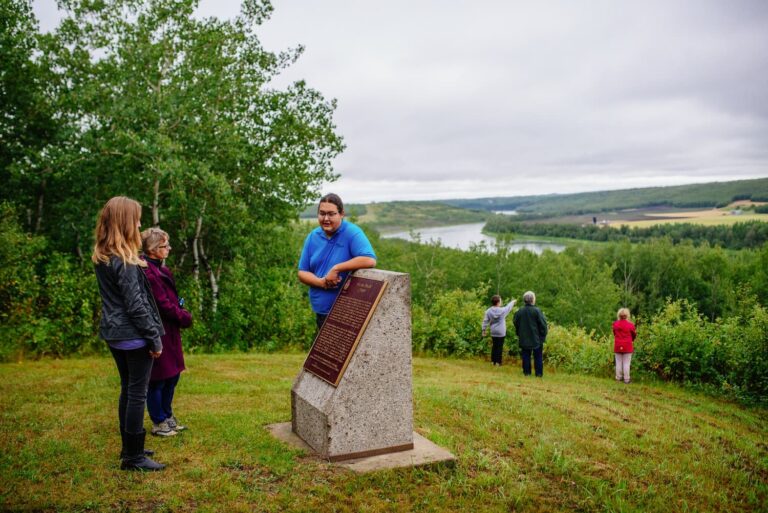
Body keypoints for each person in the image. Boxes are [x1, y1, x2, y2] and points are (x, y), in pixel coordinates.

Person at [92, 197, 165, 471]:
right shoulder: (125, 261)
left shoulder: (104, 256)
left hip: (115, 333)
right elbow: (135, 305)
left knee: (128, 388)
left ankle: (130, 448)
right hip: (133, 334)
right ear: (125, 223)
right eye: (136, 219)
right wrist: (154, 337)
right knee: (137, 392)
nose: (140, 224)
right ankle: (133, 458)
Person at [141, 227, 193, 436]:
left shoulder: (163, 270)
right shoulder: (148, 273)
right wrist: (184, 317)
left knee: (173, 376)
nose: (169, 248)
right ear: (153, 249)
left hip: (171, 330)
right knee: (159, 378)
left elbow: (172, 300)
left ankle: (168, 415)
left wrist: (180, 309)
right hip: (159, 331)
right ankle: (158, 421)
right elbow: (163, 305)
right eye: (165, 245)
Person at [298, 193, 377, 329]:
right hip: (321, 311)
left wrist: (336, 268)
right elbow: (302, 272)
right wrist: (322, 283)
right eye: (322, 214)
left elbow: (369, 259)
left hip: (345, 312)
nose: (326, 218)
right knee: (326, 350)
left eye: (331, 214)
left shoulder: (352, 233)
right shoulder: (312, 237)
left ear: (341, 214)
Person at [513, 291, 548, 377]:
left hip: (524, 337)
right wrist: (543, 335)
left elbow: (515, 322)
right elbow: (543, 324)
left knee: (525, 356)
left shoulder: (520, 311)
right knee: (538, 356)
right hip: (537, 338)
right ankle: (538, 374)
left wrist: (519, 333)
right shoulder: (537, 311)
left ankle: (526, 373)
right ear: (533, 300)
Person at [481, 295, 516, 366]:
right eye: (500, 300)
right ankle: (498, 362)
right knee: (499, 347)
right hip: (501, 331)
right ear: (498, 302)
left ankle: (493, 361)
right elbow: (508, 307)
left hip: (493, 331)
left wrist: (483, 330)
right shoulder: (502, 311)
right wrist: (513, 302)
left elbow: (485, 321)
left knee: (494, 346)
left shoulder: (488, 311)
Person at [612, 308, 637, 384]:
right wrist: (631, 340)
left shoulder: (615, 324)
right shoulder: (631, 325)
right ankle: (626, 379)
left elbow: (614, 333)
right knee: (626, 363)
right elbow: (634, 335)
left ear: (619, 315)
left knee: (618, 362)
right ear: (627, 315)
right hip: (627, 346)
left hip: (618, 345)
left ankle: (618, 378)